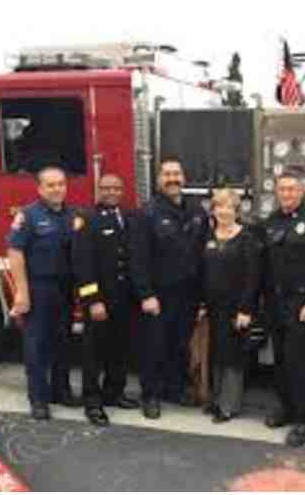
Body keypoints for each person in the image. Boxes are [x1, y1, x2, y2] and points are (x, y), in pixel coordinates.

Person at [129, 155, 210, 419]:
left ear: (184, 178)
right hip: (159, 295)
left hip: (187, 294)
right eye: (167, 174)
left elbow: (202, 253)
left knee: (179, 344)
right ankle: (150, 395)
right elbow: (138, 258)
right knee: (154, 345)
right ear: (158, 179)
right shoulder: (147, 213)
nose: (173, 179)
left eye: (177, 174)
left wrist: (202, 296)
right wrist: (146, 294)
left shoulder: (196, 211)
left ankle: (173, 389)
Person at [261, 166, 305, 447]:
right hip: (276, 303)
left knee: (298, 363)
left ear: (302, 191)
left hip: (300, 304)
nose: (287, 193)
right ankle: (286, 408)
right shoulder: (272, 220)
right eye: (282, 189)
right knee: (279, 360)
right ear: (276, 192)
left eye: (292, 189)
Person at [7, 165, 81, 420]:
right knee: (37, 346)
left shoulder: (72, 215)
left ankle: (60, 391)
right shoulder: (28, 216)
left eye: (61, 183)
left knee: (63, 342)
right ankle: (38, 399)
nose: (57, 188)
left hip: (64, 289)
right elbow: (15, 253)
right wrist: (22, 293)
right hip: (39, 287)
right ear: (40, 188)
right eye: (51, 185)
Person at [71, 174, 140, 427]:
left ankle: (114, 393)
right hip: (100, 300)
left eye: (117, 188)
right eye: (107, 188)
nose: (112, 192)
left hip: (123, 298)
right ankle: (92, 402)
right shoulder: (87, 219)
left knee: (119, 349)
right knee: (94, 353)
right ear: (98, 191)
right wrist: (93, 301)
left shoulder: (126, 217)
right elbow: (82, 265)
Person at [199, 188, 262, 423]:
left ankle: (229, 406)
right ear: (213, 210)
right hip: (214, 308)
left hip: (236, 308)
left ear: (237, 211)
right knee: (216, 354)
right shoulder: (208, 236)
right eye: (219, 206)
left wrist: (245, 310)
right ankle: (216, 400)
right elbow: (203, 273)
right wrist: (202, 304)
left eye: (229, 207)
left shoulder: (247, 238)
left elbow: (252, 278)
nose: (223, 211)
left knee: (233, 357)